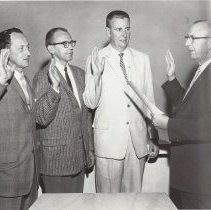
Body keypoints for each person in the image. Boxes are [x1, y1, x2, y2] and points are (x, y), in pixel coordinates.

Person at [83, 10, 159, 193]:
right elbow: (90, 103)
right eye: (118, 29)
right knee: (107, 201)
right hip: (108, 142)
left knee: (134, 199)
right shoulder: (95, 59)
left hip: (137, 142)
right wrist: (97, 76)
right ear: (108, 32)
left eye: (127, 29)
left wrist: (153, 136)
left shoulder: (143, 59)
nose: (124, 34)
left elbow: (149, 102)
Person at [152, 20, 211, 209]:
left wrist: (168, 124)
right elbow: (190, 109)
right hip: (191, 177)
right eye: (187, 37)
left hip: (200, 180)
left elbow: (207, 127)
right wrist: (172, 79)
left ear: (210, 42)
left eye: (193, 38)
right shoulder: (203, 70)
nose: (187, 43)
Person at [33, 27, 94, 193]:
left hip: (78, 160)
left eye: (71, 43)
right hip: (54, 162)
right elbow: (41, 117)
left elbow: (86, 117)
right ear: (50, 48)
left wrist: (89, 150)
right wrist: (54, 88)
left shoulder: (80, 74)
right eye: (64, 43)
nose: (70, 47)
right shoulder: (41, 77)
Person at [0, 28, 38, 210]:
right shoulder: (1, 79)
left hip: (29, 175)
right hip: (7, 176)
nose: (28, 53)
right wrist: (1, 82)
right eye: (21, 48)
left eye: (28, 47)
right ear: (5, 52)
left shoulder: (24, 79)